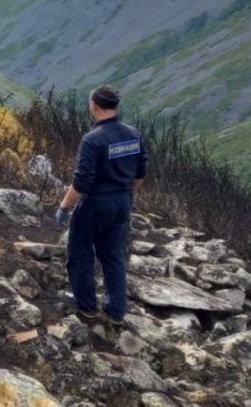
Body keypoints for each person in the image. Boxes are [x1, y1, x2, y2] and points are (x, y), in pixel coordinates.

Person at [55, 85, 148, 324]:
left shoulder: (92, 139)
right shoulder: (133, 134)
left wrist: (65, 207)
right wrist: (129, 196)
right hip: (122, 202)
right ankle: (116, 311)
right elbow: (141, 172)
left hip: (96, 204)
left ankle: (86, 307)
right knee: (113, 256)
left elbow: (82, 182)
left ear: (93, 106)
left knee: (81, 253)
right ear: (115, 106)